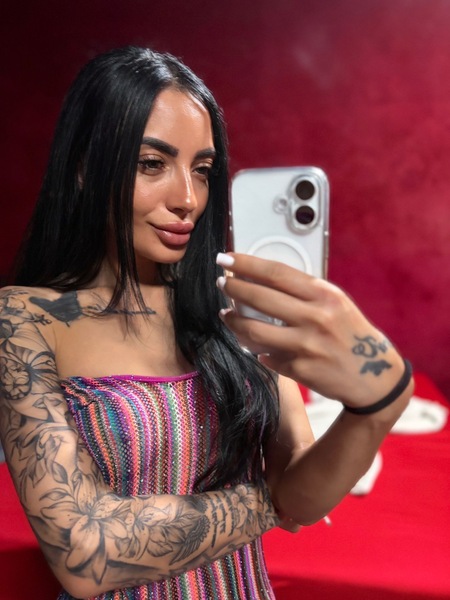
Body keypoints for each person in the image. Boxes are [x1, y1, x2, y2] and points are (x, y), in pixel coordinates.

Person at [0, 46, 413, 600]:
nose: (188, 198)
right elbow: (84, 554)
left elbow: (305, 495)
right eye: (152, 164)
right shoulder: (24, 318)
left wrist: (376, 407)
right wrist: (272, 500)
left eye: (202, 170)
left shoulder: (235, 309)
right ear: (82, 169)